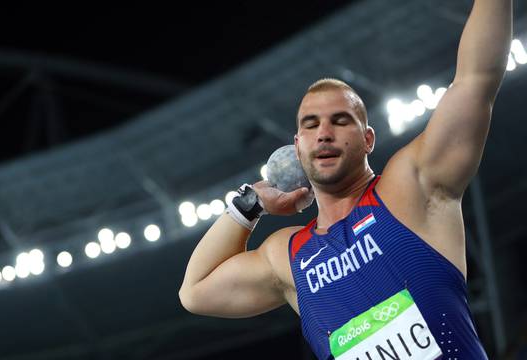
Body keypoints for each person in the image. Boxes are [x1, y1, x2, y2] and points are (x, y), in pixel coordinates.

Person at [179, 1, 512, 358]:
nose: (324, 133)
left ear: (368, 139)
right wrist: (252, 204)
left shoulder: (411, 187)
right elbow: (195, 291)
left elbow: (475, 80)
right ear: (297, 146)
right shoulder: (289, 257)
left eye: (340, 121)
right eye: (310, 125)